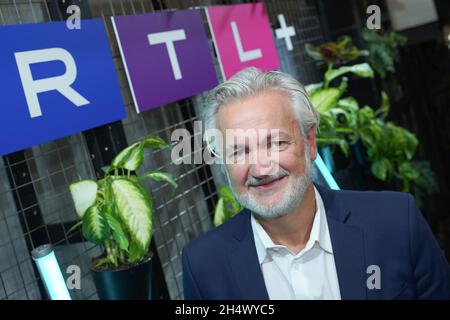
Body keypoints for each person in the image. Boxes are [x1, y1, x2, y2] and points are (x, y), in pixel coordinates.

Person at [182, 67, 450, 300]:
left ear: (310, 142)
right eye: (239, 151)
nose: (261, 169)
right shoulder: (204, 266)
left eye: (276, 143)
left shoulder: (395, 222)